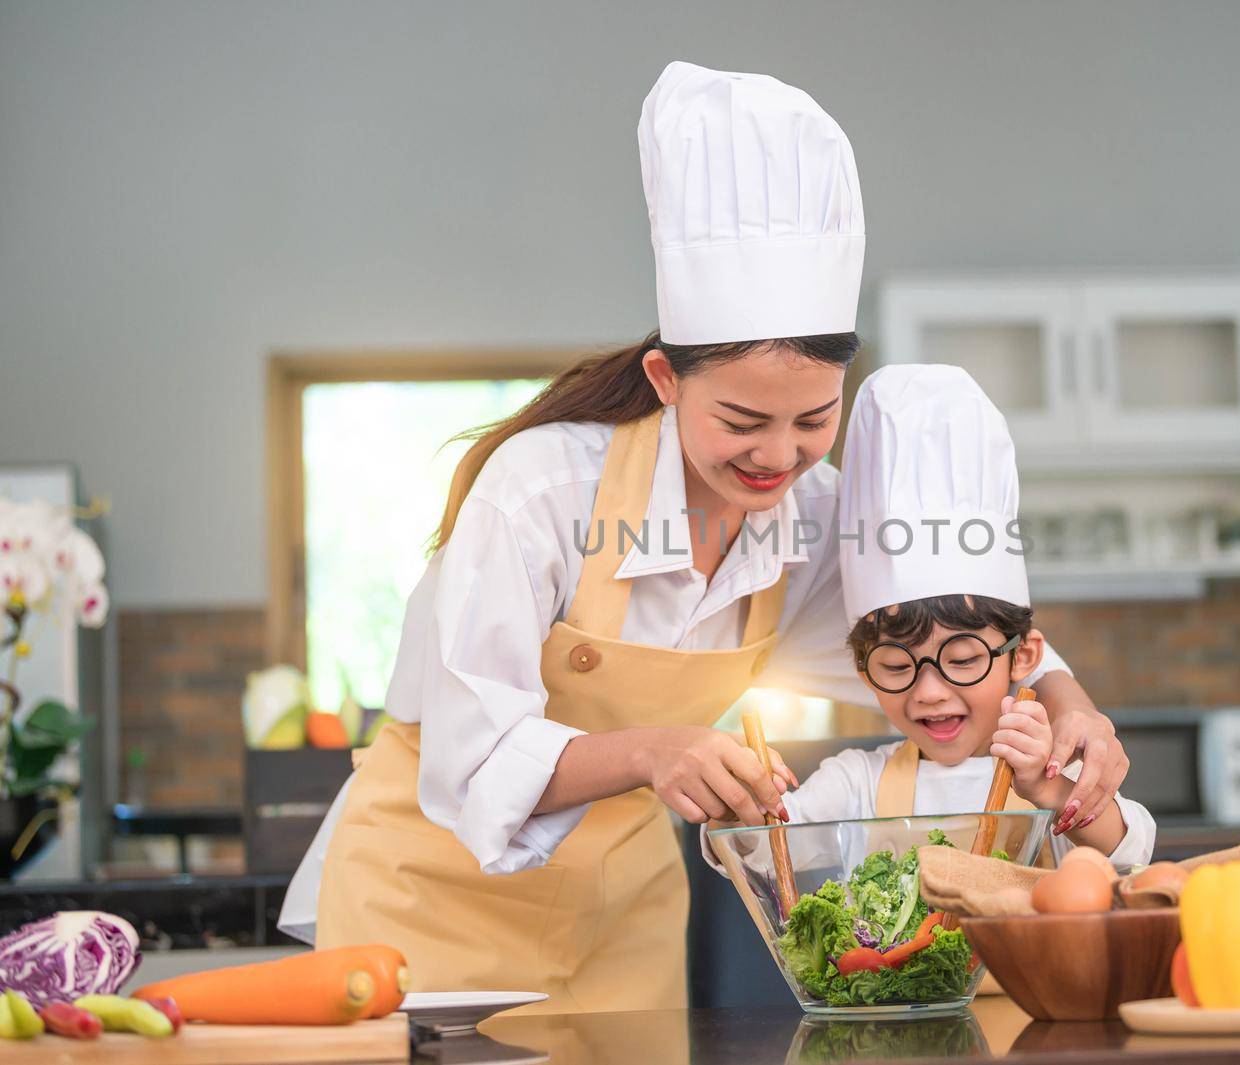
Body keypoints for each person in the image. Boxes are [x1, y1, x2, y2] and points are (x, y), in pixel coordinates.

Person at [280, 61, 1128, 1014]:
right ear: (667, 377)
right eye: (742, 421)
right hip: (426, 909)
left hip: (621, 920)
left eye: (813, 420)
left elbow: (941, 642)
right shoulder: (543, 491)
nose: (780, 456)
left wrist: (1069, 704)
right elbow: (475, 755)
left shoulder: (813, 516)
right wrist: (655, 751)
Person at [705, 365, 1156, 868]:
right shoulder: (858, 782)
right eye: (897, 667)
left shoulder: (1047, 776)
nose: (929, 693)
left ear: (1023, 655)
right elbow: (758, 852)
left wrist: (1050, 789)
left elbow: (1132, 851)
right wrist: (739, 801)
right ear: (863, 673)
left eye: (963, 660)